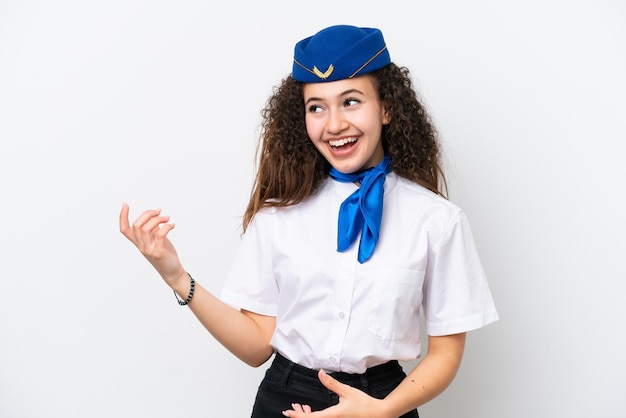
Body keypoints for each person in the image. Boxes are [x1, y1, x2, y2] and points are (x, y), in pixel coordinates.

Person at [119, 24, 498, 418]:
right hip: (285, 399)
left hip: (384, 401)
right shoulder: (277, 216)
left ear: (387, 107)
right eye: (317, 106)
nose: (333, 125)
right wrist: (177, 276)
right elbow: (256, 347)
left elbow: (447, 352)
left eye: (351, 101)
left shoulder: (437, 221)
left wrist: (382, 411)